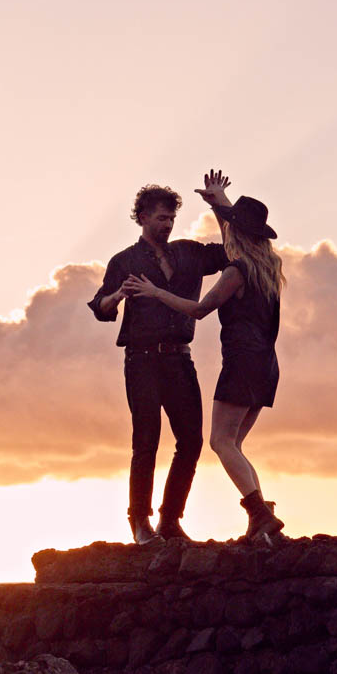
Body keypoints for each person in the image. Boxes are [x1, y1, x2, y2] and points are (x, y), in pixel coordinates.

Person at [121, 172, 287, 546]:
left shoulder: (236, 271)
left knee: (220, 443)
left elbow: (199, 310)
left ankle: (261, 515)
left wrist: (155, 292)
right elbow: (235, 236)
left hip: (242, 363)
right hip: (267, 365)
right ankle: (261, 524)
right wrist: (218, 204)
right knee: (234, 447)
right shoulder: (269, 269)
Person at [89, 177, 234, 544]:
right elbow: (100, 308)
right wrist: (118, 295)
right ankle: (140, 522)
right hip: (141, 361)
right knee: (146, 441)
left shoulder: (189, 253)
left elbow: (234, 249)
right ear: (141, 217)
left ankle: (170, 521)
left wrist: (219, 204)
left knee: (192, 441)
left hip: (179, 359)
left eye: (171, 218)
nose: (167, 224)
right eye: (160, 218)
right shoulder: (123, 261)